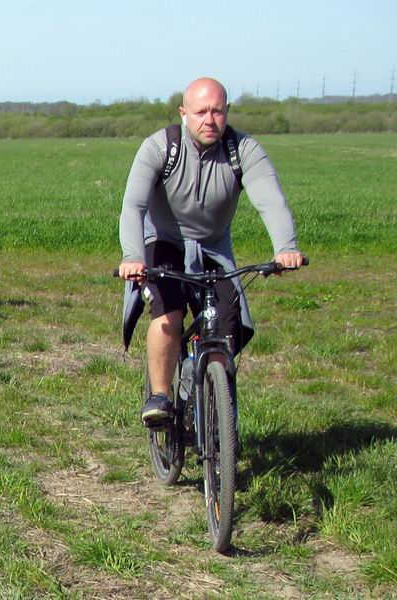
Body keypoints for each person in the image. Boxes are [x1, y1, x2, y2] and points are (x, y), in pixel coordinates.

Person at [118, 77, 304, 426]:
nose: (210, 119)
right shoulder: (160, 147)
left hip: (213, 249)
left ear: (227, 112)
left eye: (217, 110)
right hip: (162, 243)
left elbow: (271, 200)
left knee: (227, 323)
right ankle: (160, 395)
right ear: (183, 113)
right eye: (201, 111)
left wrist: (285, 249)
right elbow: (133, 206)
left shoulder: (242, 149)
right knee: (168, 314)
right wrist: (132, 256)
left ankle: (205, 388)